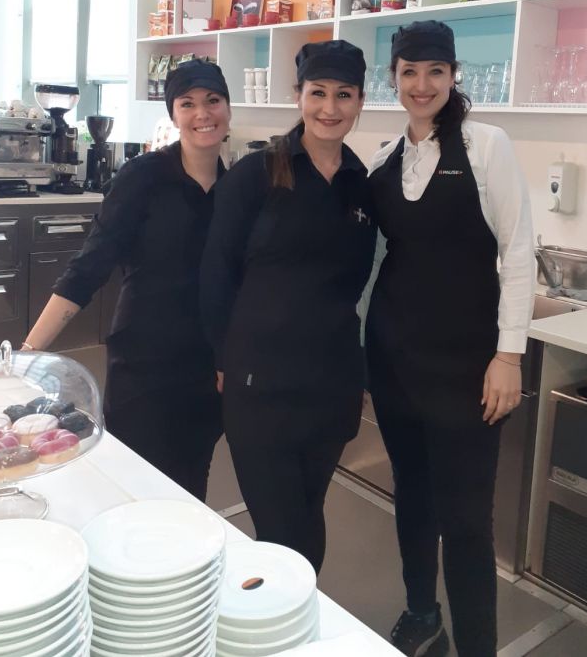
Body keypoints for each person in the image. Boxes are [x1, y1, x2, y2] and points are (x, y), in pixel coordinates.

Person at [365, 21, 535, 657]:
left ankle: (478, 647)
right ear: (393, 79)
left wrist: (508, 355)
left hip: (468, 368)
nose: (422, 84)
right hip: (394, 361)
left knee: (465, 521)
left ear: (453, 74)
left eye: (435, 71)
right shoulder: (384, 157)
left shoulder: (487, 146)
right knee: (411, 495)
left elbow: (519, 252)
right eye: (409, 71)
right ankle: (422, 615)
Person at [200, 39, 376, 574]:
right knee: (280, 530)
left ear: (360, 100)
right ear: (298, 96)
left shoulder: (361, 183)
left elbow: (358, 281)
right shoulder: (256, 175)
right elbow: (216, 274)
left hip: (331, 385)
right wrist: (224, 359)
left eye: (343, 94)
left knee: (308, 513)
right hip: (261, 384)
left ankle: (298, 612)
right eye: (318, 92)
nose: (330, 108)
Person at [21, 59, 231, 501]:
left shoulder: (236, 190)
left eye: (213, 100)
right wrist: (27, 354)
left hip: (205, 369)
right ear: (173, 114)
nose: (202, 113)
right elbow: (89, 267)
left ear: (228, 109)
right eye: (187, 103)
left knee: (191, 489)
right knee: (134, 487)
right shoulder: (145, 176)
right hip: (144, 362)